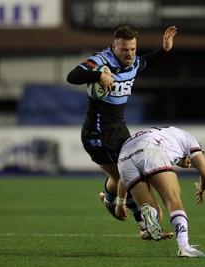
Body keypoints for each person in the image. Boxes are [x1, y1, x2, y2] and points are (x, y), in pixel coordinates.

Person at [66, 25, 178, 238]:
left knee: (128, 175)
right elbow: (73, 76)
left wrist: (164, 50)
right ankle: (144, 227)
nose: (129, 54)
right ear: (114, 46)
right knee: (128, 177)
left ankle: (110, 200)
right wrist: (98, 74)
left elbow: (146, 62)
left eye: (133, 49)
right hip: (97, 132)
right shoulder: (102, 60)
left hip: (119, 129)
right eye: (124, 49)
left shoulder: (134, 61)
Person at [117, 126, 205, 258]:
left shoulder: (169, 139)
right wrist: (201, 188)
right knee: (173, 200)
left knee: (154, 212)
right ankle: (184, 246)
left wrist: (120, 202)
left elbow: (121, 180)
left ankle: (151, 214)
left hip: (123, 158)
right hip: (150, 148)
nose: (190, 164)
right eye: (191, 161)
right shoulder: (190, 140)